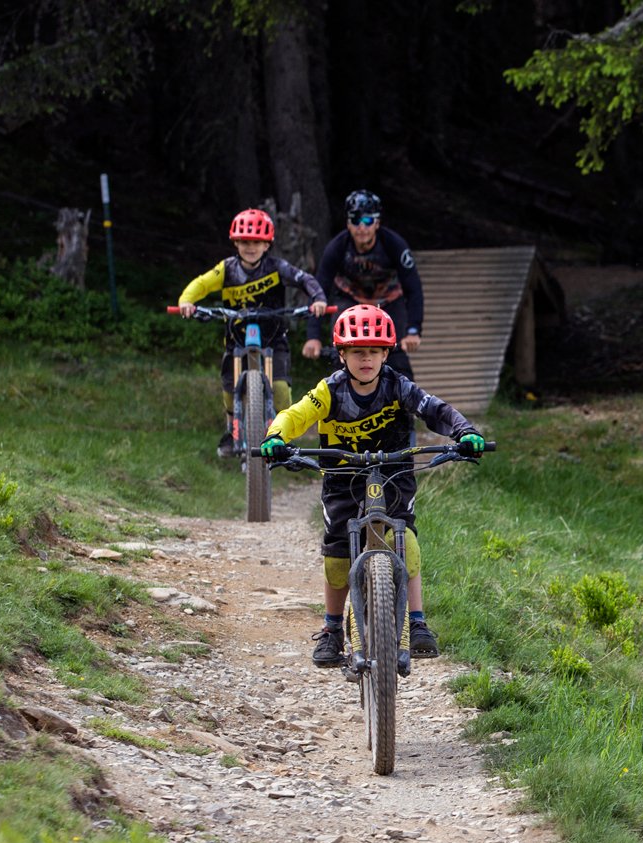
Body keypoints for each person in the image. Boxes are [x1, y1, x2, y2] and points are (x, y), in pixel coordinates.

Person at [261, 304, 484, 665]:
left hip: (394, 471)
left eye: (374, 351)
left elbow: (436, 410)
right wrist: (276, 436)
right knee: (336, 557)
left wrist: (466, 431)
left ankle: (418, 622)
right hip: (341, 476)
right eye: (357, 352)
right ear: (342, 354)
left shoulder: (398, 385)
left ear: (386, 353)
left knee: (406, 541)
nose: (366, 359)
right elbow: (296, 414)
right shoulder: (329, 390)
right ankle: (333, 629)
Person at [179, 208, 331, 457]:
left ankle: (282, 436)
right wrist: (187, 300)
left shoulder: (277, 267)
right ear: (236, 242)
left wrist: (318, 298)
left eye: (257, 242)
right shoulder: (227, 269)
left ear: (267, 244)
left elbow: (304, 279)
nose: (250, 247)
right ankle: (232, 430)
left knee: (281, 391)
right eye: (245, 242)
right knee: (228, 389)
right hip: (236, 338)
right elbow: (202, 283)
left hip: (274, 337)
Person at [301, 190, 424, 379]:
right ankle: (338, 402)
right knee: (340, 356)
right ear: (348, 224)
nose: (361, 227)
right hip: (350, 300)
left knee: (397, 359)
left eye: (367, 221)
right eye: (355, 221)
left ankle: (406, 405)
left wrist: (413, 330)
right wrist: (313, 337)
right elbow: (320, 291)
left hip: (389, 301)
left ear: (377, 223)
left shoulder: (394, 244)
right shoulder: (337, 247)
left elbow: (413, 287)